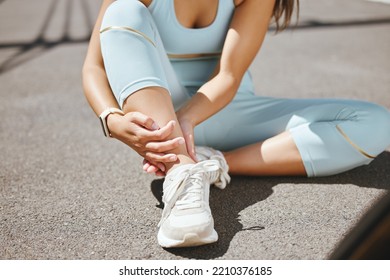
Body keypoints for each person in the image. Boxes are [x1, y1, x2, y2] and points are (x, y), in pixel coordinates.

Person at [82, 0, 390, 248]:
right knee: (123, 9)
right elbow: (94, 67)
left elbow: (227, 77)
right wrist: (111, 119)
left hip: (222, 111)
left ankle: (208, 163)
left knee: (375, 122)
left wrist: (186, 120)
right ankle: (181, 171)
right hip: (160, 117)